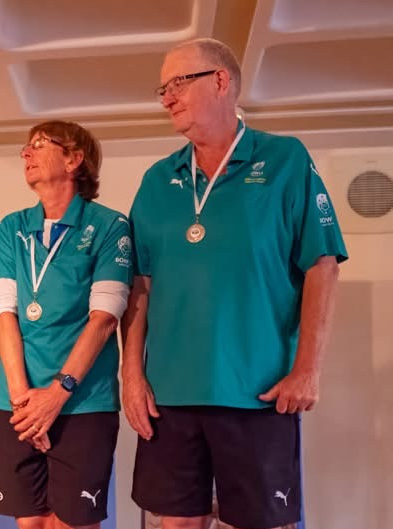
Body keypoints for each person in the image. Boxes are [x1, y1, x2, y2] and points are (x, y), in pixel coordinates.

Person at [122, 38, 347, 529]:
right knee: (175, 523)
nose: (167, 98)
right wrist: (131, 376)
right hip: (169, 397)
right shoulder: (158, 180)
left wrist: (308, 369)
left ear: (221, 81)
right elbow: (138, 284)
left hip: (258, 391)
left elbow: (322, 265)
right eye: (162, 89)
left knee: (261, 523)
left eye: (178, 83)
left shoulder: (285, 160)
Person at [0, 121, 130, 529]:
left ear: (73, 159)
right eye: (26, 147)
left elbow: (104, 319)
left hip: (82, 402)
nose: (25, 154)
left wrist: (57, 394)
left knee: (72, 522)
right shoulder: (11, 227)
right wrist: (22, 401)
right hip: (17, 402)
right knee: (30, 522)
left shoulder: (109, 226)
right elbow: (4, 313)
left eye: (38, 145)